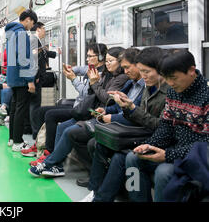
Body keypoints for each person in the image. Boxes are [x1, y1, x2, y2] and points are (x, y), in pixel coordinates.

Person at [80, 47, 170, 202]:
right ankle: (97, 194)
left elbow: (160, 125)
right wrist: (126, 107)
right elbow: (139, 114)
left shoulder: (168, 91)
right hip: (144, 131)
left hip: (149, 135)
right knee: (103, 145)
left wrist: (130, 109)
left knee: (126, 157)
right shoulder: (146, 86)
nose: (143, 76)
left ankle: (100, 196)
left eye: (146, 71)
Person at [29, 47, 129, 177]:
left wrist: (90, 82)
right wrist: (73, 71)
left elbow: (105, 99)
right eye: (107, 61)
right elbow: (89, 90)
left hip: (94, 113)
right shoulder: (103, 73)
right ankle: (54, 162)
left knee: (62, 124)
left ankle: (49, 162)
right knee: (59, 124)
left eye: (110, 61)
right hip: (86, 109)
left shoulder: (119, 78)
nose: (107, 63)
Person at [125, 49, 209, 202]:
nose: (170, 83)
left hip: (195, 157)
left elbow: (205, 144)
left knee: (164, 172)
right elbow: (166, 126)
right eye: (166, 78)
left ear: (191, 71)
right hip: (173, 149)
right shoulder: (174, 92)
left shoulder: (206, 97)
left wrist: (168, 155)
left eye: (174, 78)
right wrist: (150, 145)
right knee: (132, 158)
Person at [27, 43, 107, 162]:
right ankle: (40, 143)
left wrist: (73, 79)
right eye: (87, 56)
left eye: (90, 56)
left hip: (83, 110)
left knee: (50, 115)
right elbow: (80, 69)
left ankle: (49, 151)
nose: (87, 59)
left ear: (100, 57)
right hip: (78, 105)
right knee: (41, 111)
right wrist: (70, 69)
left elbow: (85, 93)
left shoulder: (99, 75)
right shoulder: (90, 68)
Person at [5, 9, 38, 151]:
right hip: (21, 77)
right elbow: (23, 58)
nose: (32, 27)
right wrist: (30, 79)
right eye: (33, 23)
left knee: (14, 108)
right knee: (20, 109)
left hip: (13, 76)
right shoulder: (22, 34)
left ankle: (12, 138)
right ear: (28, 19)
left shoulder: (11, 33)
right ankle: (18, 142)